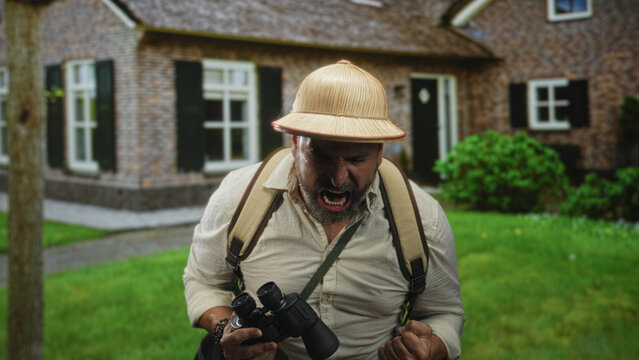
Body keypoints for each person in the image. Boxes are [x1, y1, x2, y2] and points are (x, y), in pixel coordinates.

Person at [184, 60, 464, 360]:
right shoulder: (237, 196)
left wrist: (429, 347)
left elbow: (444, 312)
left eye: (357, 158)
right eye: (319, 155)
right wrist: (227, 330)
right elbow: (204, 281)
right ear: (295, 144)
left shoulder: (422, 218)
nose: (338, 177)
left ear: (380, 153)